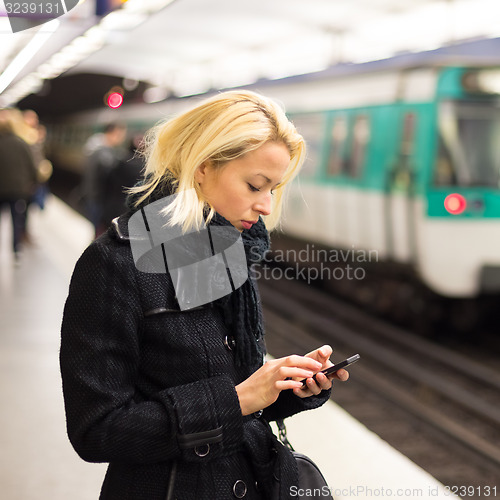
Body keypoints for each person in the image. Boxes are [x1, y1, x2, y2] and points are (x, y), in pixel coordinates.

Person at [60, 90, 349, 500]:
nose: (267, 205)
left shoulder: (227, 250)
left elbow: (236, 397)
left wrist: (284, 387)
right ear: (203, 167)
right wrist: (238, 398)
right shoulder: (115, 265)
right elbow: (97, 431)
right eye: (255, 185)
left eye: (274, 189)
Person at [0, 108, 38, 259]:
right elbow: (32, 166)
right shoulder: (21, 143)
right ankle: (16, 251)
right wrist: (32, 183)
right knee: (17, 220)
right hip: (17, 191)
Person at [80, 122, 127, 237]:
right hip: (99, 199)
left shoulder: (96, 149)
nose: (122, 138)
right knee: (99, 233)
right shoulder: (103, 153)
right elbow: (109, 175)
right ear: (113, 133)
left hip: (93, 197)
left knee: (96, 231)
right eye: (121, 134)